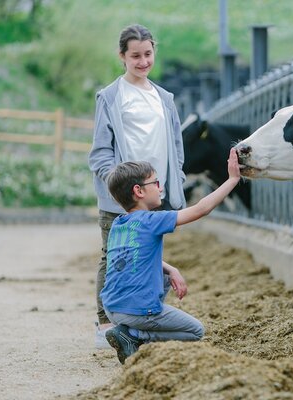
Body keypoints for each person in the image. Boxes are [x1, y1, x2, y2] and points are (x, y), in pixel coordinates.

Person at [88, 24, 187, 349]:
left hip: (155, 194)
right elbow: (100, 152)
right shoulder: (111, 97)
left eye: (147, 54)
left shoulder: (164, 98)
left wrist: (176, 181)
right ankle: (105, 323)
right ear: (122, 56)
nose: (143, 61)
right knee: (113, 256)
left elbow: (175, 144)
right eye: (135, 56)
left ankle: (138, 324)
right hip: (121, 196)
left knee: (151, 255)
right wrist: (119, 183)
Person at [101, 151, 240, 364]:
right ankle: (135, 336)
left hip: (112, 308)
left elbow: (131, 256)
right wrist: (232, 179)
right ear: (138, 191)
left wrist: (172, 269)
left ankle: (128, 330)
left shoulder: (119, 224)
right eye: (155, 182)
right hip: (134, 311)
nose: (160, 187)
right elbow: (201, 209)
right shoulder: (151, 220)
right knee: (195, 331)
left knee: (165, 275)